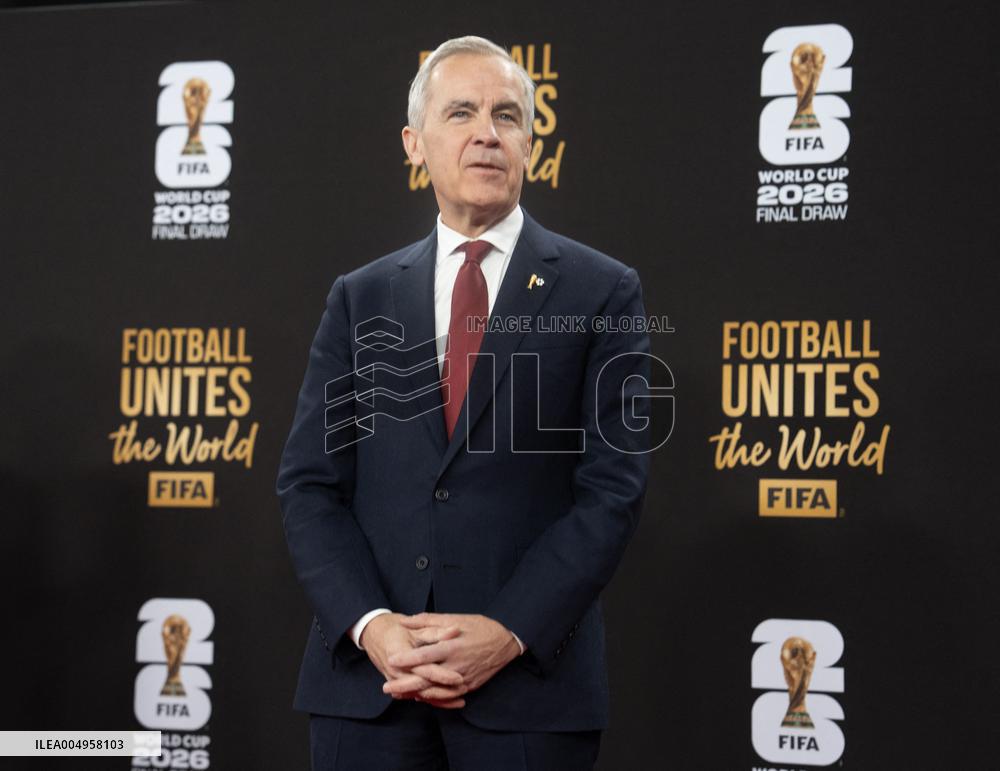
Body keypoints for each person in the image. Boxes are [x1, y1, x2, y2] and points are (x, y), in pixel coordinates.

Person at [276, 35, 652, 770]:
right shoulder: (360, 297)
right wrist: (372, 625)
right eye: (461, 112)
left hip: (526, 698)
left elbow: (613, 490)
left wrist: (508, 630)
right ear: (414, 144)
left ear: (530, 143)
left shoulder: (603, 290)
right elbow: (309, 485)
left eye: (507, 115)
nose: (487, 132)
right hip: (370, 693)